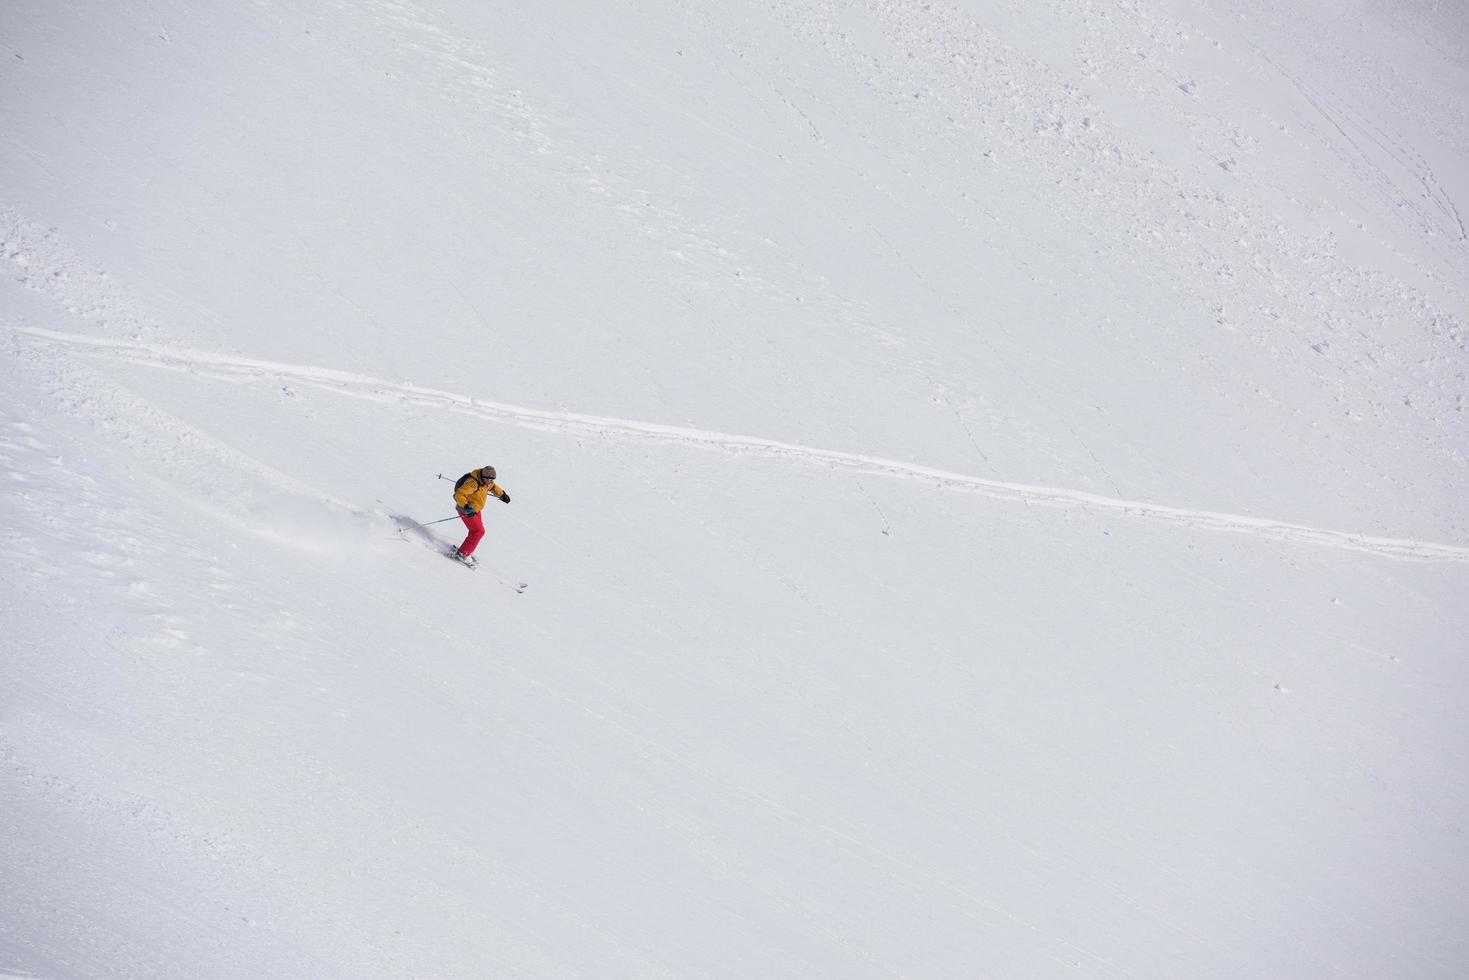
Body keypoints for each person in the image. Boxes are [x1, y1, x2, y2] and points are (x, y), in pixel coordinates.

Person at [451, 465, 510, 564]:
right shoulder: (473, 483)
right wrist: (466, 507)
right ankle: (462, 553)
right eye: (489, 479)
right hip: (466, 510)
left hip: (476, 509)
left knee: (476, 531)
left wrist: (502, 494)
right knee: (478, 532)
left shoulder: (487, 482)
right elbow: (459, 494)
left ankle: (465, 550)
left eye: (493, 479)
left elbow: (493, 487)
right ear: (483, 477)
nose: (491, 481)